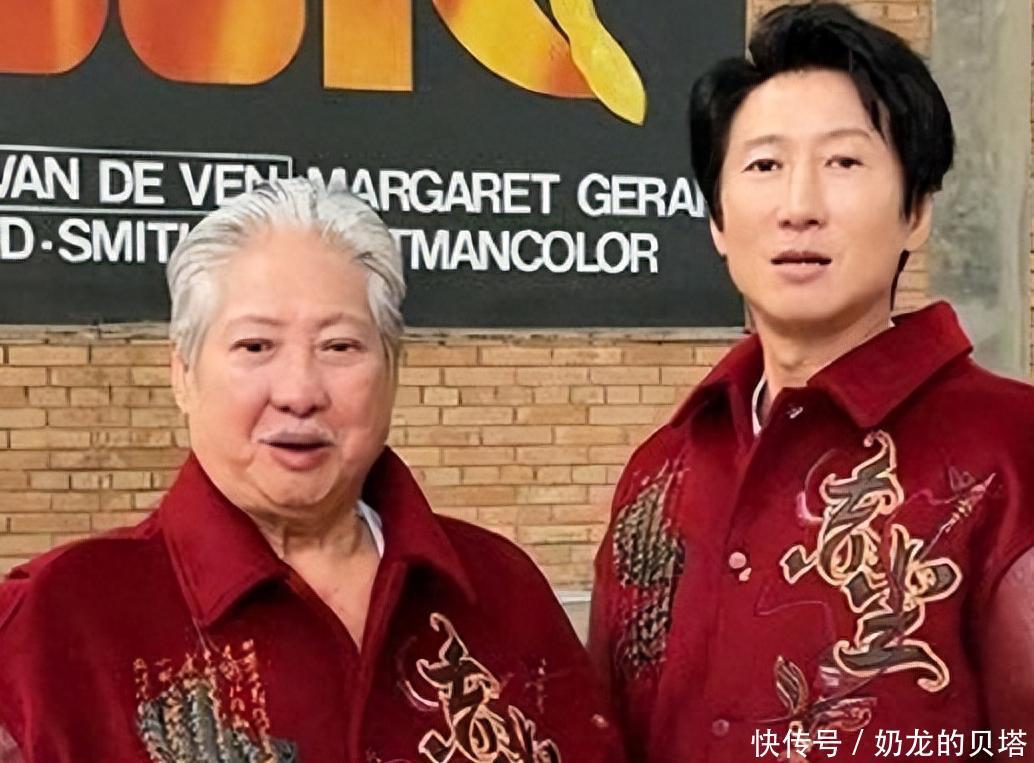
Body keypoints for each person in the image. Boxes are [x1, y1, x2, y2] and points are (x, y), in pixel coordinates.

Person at [0, 178, 623, 762]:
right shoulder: (55, 624)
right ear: (183, 373)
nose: (299, 392)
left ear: (392, 370)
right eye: (255, 346)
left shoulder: (500, 589)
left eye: (339, 347)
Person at [589, 3, 1034, 761]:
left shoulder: (1013, 450)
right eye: (764, 166)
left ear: (917, 211)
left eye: (844, 163)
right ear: (718, 221)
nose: (799, 208)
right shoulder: (661, 474)